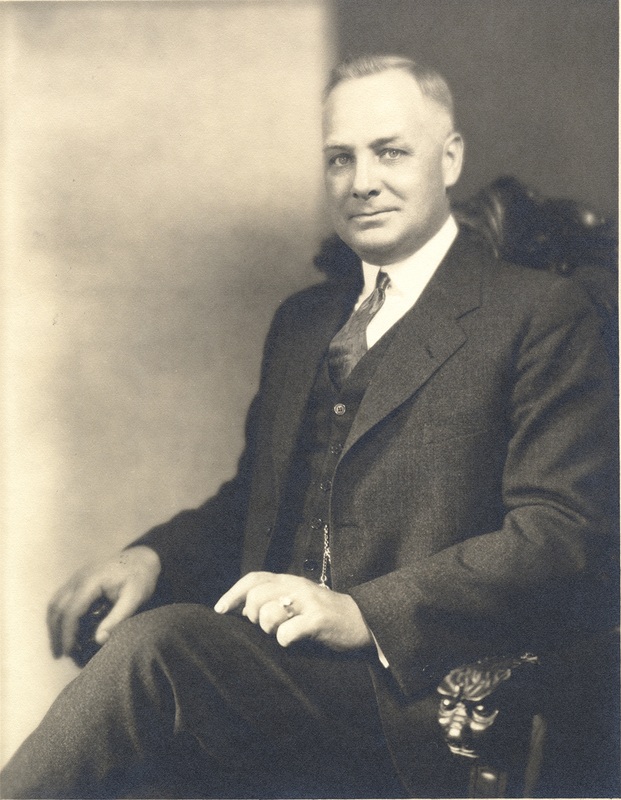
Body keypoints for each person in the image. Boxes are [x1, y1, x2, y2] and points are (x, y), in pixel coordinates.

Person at [1, 55, 616, 799]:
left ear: (449, 157)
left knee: (158, 651)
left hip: (413, 704)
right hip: (272, 682)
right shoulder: (303, 322)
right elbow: (250, 504)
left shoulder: (536, 313)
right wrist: (151, 558)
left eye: (390, 151)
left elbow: (560, 534)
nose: (362, 181)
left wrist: (364, 613)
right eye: (339, 158)